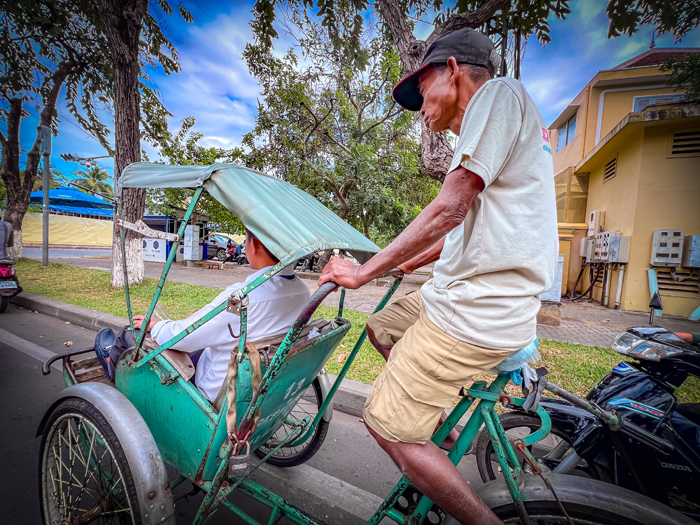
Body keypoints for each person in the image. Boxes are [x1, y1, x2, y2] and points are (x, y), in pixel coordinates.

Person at [319, 27, 558, 524]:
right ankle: (443, 436)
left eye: (422, 91)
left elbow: (448, 209)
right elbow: (462, 229)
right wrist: (404, 265)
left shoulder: (496, 94)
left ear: (452, 71)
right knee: (381, 327)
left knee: (386, 424)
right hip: (463, 298)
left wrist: (363, 273)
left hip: (472, 313)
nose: (422, 110)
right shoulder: (501, 125)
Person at [96, 230, 311, 403]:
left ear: (254, 245)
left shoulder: (243, 297)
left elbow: (183, 337)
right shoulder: (302, 290)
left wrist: (157, 326)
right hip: (262, 374)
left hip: (219, 386)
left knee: (132, 331)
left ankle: (112, 368)